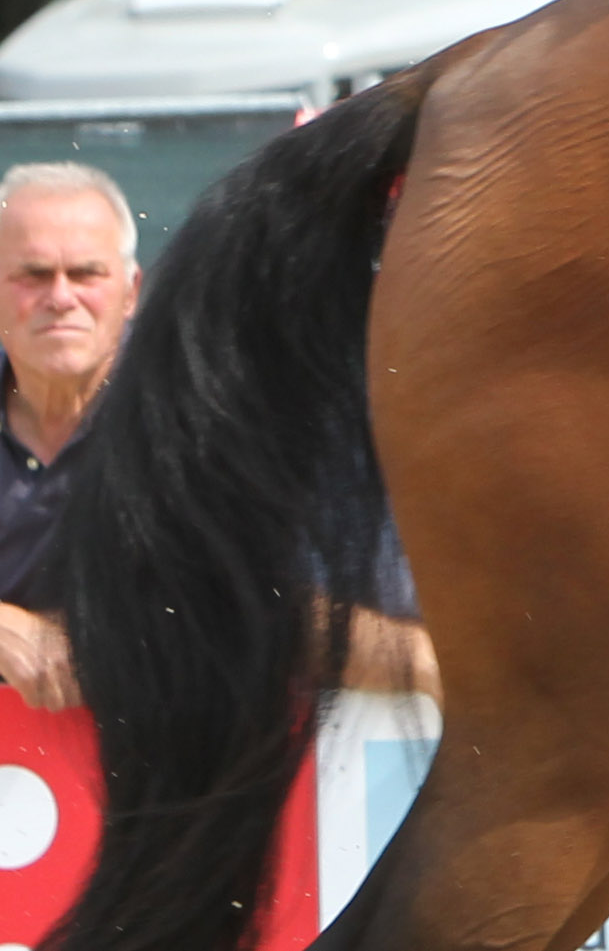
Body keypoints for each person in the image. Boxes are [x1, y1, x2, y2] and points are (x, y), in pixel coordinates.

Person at [0, 161, 437, 707]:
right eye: (34, 276)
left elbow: (250, 602)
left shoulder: (205, 410)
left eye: (86, 274)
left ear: (132, 291)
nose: (61, 298)